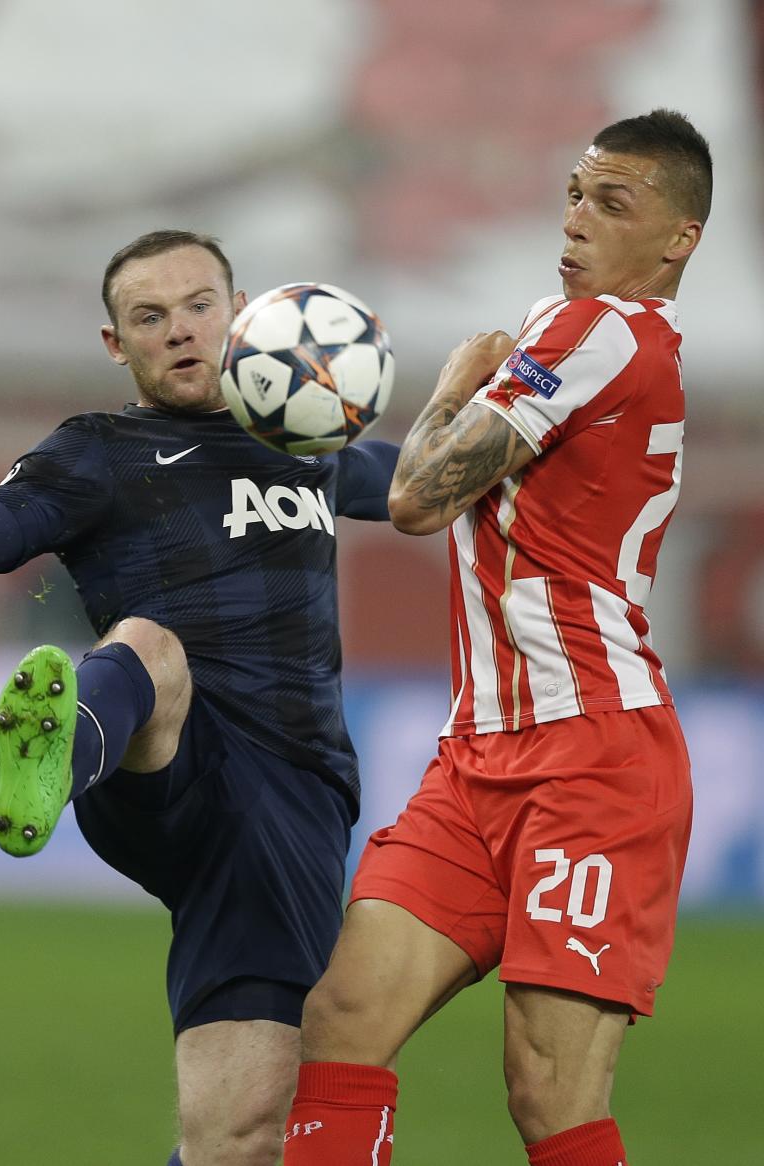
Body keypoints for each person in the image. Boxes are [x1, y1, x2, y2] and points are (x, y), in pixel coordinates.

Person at [0, 229, 399, 1166]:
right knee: (147, 644)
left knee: (239, 1138)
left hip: (288, 804)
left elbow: (422, 485)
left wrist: (490, 409)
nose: (179, 330)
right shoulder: (99, 451)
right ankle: (56, 758)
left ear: (241, 312)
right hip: (158, 761)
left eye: (198, 305)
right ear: (115, 344)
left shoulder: (304, 435)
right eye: (149, 316)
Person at [281, 108, 711, 1166]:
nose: (575, 220)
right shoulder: (575, 332)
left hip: (593, 759)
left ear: (678, 239)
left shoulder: (599, 331)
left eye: (612, 203)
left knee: (549, 1094)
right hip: (480, 758)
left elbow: (421, 498)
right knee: (344, 1012)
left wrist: (442, 394)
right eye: (573, 192)